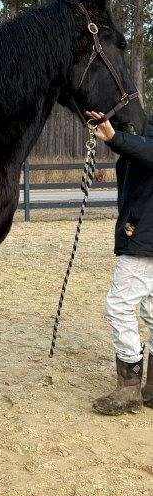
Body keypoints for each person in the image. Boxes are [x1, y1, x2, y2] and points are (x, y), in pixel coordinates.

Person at [87, 111, 153, 415]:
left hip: (144, 242)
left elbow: (145, 149)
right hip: (142, 237)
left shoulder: (144, 141)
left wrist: (115, 138)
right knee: (151, 310)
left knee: (118, 305)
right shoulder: (140, 139)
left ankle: (129, 388)